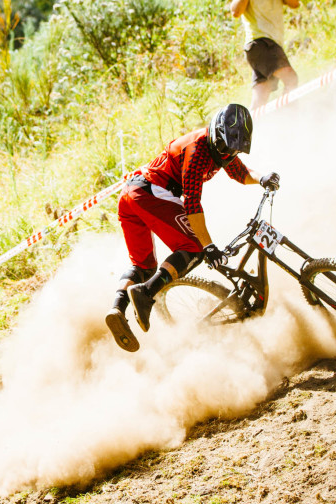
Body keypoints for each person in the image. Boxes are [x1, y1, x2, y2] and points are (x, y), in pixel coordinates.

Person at [105, 104, 280, 352]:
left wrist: (262, 177)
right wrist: (208, 247)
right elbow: (193, 205)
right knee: (194, 248)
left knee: (144, 266)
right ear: (215, 135)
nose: (228, 154)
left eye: (234, 150)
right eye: (225, 148)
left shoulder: (220, 148)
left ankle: (117, 309)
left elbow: (240, 173)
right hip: (150, 193)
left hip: (131, 195)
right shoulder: (198, 151)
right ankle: (146, 293)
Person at [230, 0, 300, 111]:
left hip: (270, 45)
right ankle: (288, 117)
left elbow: (295, 4)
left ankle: (252, 127)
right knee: (291, 78)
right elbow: (235, 11)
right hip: (261, 43)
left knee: (260, 99)